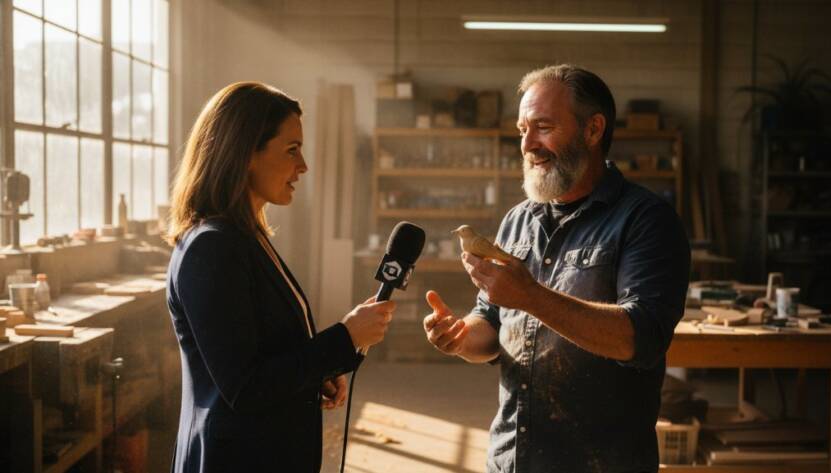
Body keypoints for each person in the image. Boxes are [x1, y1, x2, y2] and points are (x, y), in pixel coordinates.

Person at [423, 64, 690, 472]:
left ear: (593, 129)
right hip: (513, 459)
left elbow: (641, 339)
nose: (528, 144)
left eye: (543, 127)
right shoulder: (517, 221)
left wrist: (530, 296)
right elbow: (491, 322)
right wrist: (460, 338)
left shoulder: (646, 220)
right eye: (522, 130)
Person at [165, 82, 395, 473]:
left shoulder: (246, 238)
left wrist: (319, 372)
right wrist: (346, 337)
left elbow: (264, 353)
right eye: (292, 150)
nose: (303, 166)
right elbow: (247, 386)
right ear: (245, 153)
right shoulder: (212, 249)